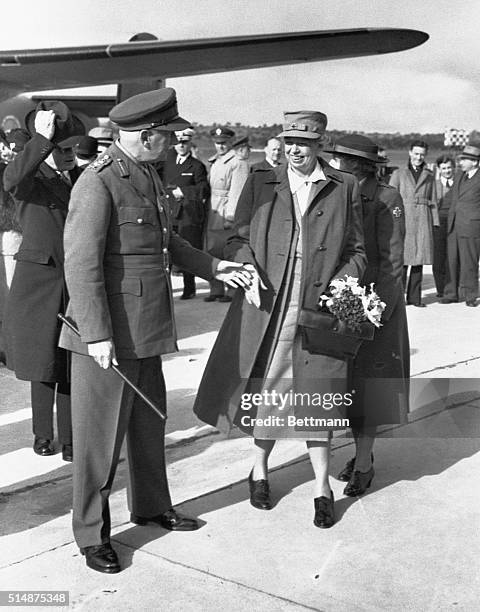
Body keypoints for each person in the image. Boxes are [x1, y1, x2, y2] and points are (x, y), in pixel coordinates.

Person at [59, 88, 251, 574]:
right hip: (107, 338)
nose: (171, 143)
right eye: (166, 136)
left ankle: (149, 507)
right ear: (146, 136)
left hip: (144, 331)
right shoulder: (97, 182)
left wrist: (214, 266)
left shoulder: (144, 174)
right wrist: (97, 334)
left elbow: (167, 243)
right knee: (98, 440)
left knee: (149, 427)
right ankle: (90, 534)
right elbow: (81, 266)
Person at [194, 110, 366, 528]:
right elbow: (236, 238)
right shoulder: (261, 180)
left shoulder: (344, 187)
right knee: (268, 387)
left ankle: (322, 487)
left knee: (317, 395)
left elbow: (359, 252)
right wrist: (247, 268)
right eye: (289, 142)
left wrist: (339, 287)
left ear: (320, 145)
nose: (294, 150)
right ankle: (259, 469)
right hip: (268, 305)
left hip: (317, 309)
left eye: (303, 144)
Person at [328, 134, 409, 495]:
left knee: (370, 389)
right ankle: (361, 455)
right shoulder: (337, 194)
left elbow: (393, 264)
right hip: (343, 302)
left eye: (339, 161)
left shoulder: (387, 198)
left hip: (374, 308)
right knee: (344, 388)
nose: (332, 165)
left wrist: (375, 314)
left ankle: (363, 464)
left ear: (355, 166)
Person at [2, 101, 82, 462]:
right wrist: (41, 140)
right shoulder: (30, 181)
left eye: (71, 150)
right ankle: (42, 435)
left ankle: (68, 439)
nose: (69, 156)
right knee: (40, 363)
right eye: (61, 149)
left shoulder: (78, 180)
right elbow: (12, 179)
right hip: (38, 282)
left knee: (68, 361)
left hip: (71, 282)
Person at [389, 140, 439, 307]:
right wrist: (392, 219)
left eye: (422, 154)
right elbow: (390, 197)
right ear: (410, 153)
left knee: (419, 260)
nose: (419, 157)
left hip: (423, 219)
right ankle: (398, 298)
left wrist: (435, 222)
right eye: (416, 153)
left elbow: (432, 200)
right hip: (404, 217)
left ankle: (415, 299)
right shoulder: (399, 174)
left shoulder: (429, 175)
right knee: (402, 260)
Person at [163, 127, 210, 299]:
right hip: (168, 210)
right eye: (179, 142)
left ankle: (189, 288)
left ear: (190, 143)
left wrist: (183, 191)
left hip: (186, 214)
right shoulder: (166, 161)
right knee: (165, 250)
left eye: (185, 142)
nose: (181, 146)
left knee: (187, 248)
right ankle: (166, 288)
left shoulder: (197, 166)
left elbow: (203, 189)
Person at [205, 126, 249, 302]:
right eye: (217, 143)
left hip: (225, 213)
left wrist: (231, 216)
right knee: (211, 250)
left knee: (228, 251)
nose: (220, 146)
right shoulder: (215, 161)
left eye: (223, 143)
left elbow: (238, 191)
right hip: (212, 210)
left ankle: (232, 290)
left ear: (231, 142)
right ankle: (216, 289)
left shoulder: (238, 163)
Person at [441, 144, 480, 307]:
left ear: (475, 162)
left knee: (469, 262)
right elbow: (449, 198)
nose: (461, 162)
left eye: (465, 159)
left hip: (471, 227)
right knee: (451, 260)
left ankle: (470, 295)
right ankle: (451, 293)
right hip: (453, 225)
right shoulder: (458, 176)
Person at [433, 155, 455, 298]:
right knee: (439, 257)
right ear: (439, 169)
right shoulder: (434, 184)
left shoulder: (459, 183)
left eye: (449, 168)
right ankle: (441, 289)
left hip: (455, 223)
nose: (447, 171)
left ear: (453, 168)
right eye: (444, 168)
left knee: (452, 257)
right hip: (438, 224)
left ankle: (453, 287)